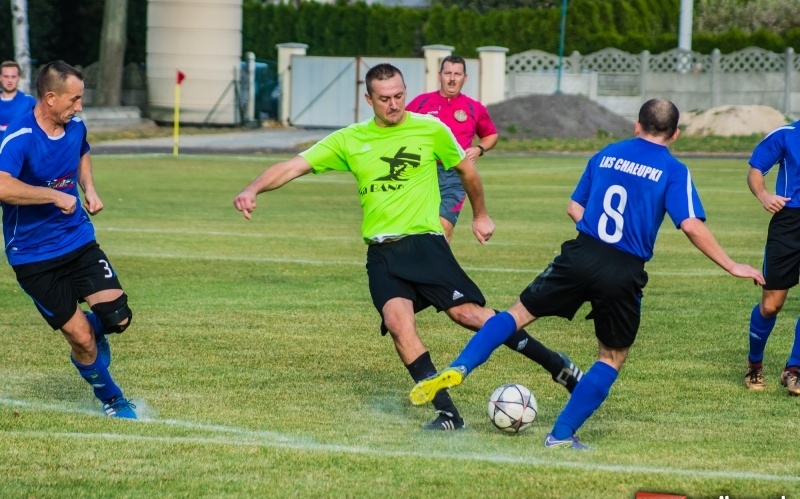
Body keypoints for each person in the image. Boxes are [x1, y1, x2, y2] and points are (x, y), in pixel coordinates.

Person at [233, 63, 583, 431]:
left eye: (399, 95)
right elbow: (291, 166)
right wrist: (252, 188)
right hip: (381, 254)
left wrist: (480, 215)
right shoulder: (349, 139)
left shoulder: (431, 129)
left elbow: (467, 171)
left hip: (425, 245)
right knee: (398, 324)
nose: (394, 104)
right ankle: (448, 414)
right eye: (384, 98)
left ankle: (556, 365)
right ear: (369, 99)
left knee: (468, 316)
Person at [409, 99, 765, 447]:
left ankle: (460, 367)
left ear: (637, 126)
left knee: (515, 315)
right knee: (611, 356)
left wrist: (594, 233)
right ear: (675, 135)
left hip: (581, 251)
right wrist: (732, 264)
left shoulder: (606, 153)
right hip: (623, 267)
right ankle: (560, 435)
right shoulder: (674, 170)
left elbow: (574, 207)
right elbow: (689, 224)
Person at [0, 60, 136, 419]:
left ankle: (93, 329)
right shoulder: (20, 136)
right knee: (81, 340)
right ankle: (113, 400)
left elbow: (82, 151)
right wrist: (55, 196)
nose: (79, 107)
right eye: (74, 100)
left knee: (118, 318)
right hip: (32, 256)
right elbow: (2, 185)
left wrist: (87, 188)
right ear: (50, 98)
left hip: (76, 239)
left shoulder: (74, 127)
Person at [406, 55, 498, 242]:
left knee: (443, 228)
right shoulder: (421, 103)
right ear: (439, 75)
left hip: (455, 174)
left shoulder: (474, 108)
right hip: (423, 172)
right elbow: (400, 130)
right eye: (448, 73)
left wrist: (479, 149)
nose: (452, 78)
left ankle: (435, 269)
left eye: (457, 74)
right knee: (416, 229)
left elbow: (491, 135)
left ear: (465, 78)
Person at [743, 121, 800, 395]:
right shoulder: (786, 135)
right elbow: (755, 170)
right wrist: (764, 195)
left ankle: (794, 369)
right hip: (789, 222)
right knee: (771, 305)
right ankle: (754, 364)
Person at [0, 60, 36, 133]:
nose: (9, 80)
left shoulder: (29, 102)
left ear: (18, 78)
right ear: (0, 77)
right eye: (6, 77)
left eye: (13, 77)